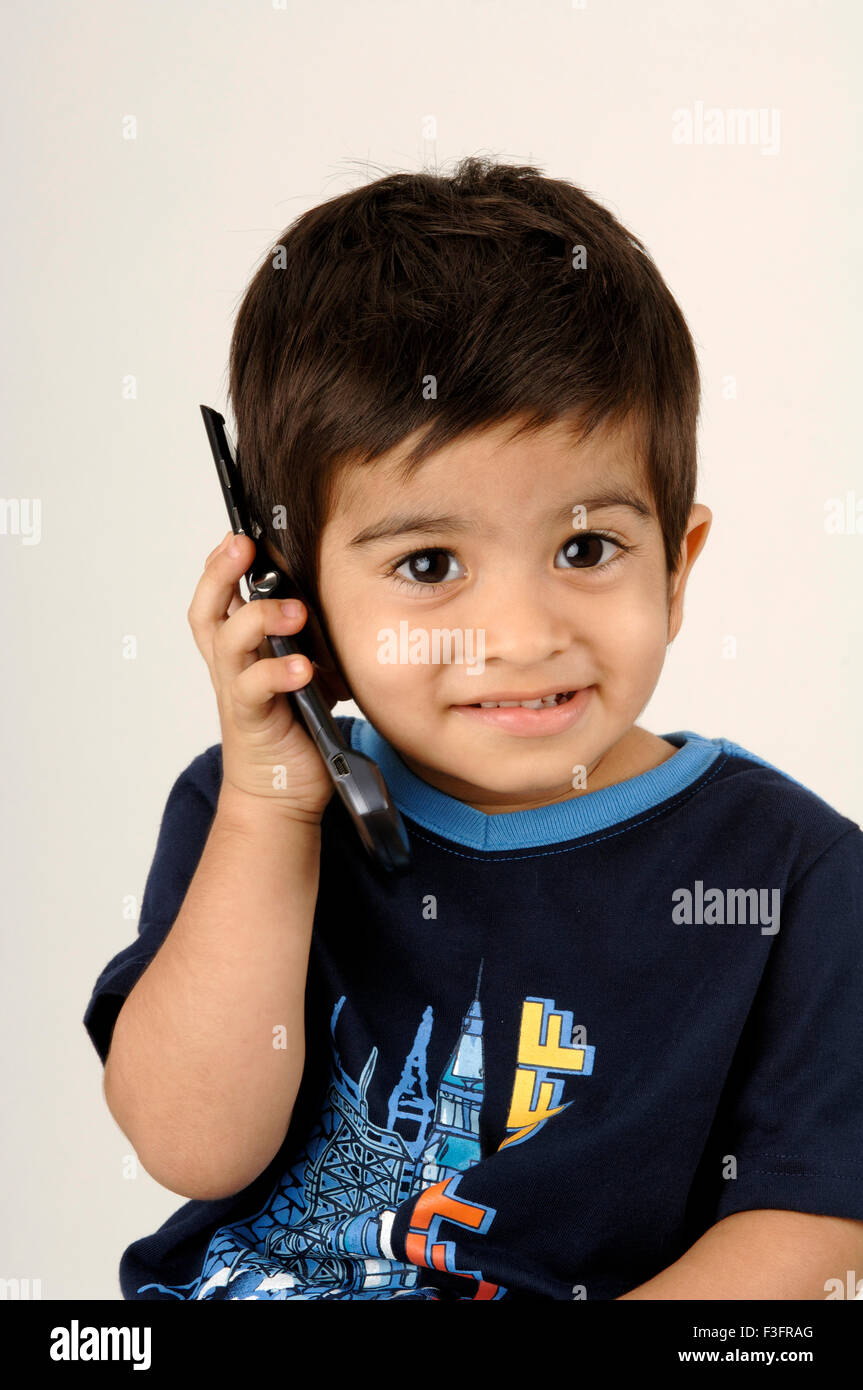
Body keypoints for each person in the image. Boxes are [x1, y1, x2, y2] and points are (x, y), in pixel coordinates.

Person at [83, 158, 863, 1300]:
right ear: (288, 593)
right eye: (428, 564)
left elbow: (811, 1218)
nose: (516, 631)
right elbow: (192, 1146)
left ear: (676, 566)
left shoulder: (792, 873)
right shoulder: (250, 810)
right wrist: (267, 808)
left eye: (585, 548)